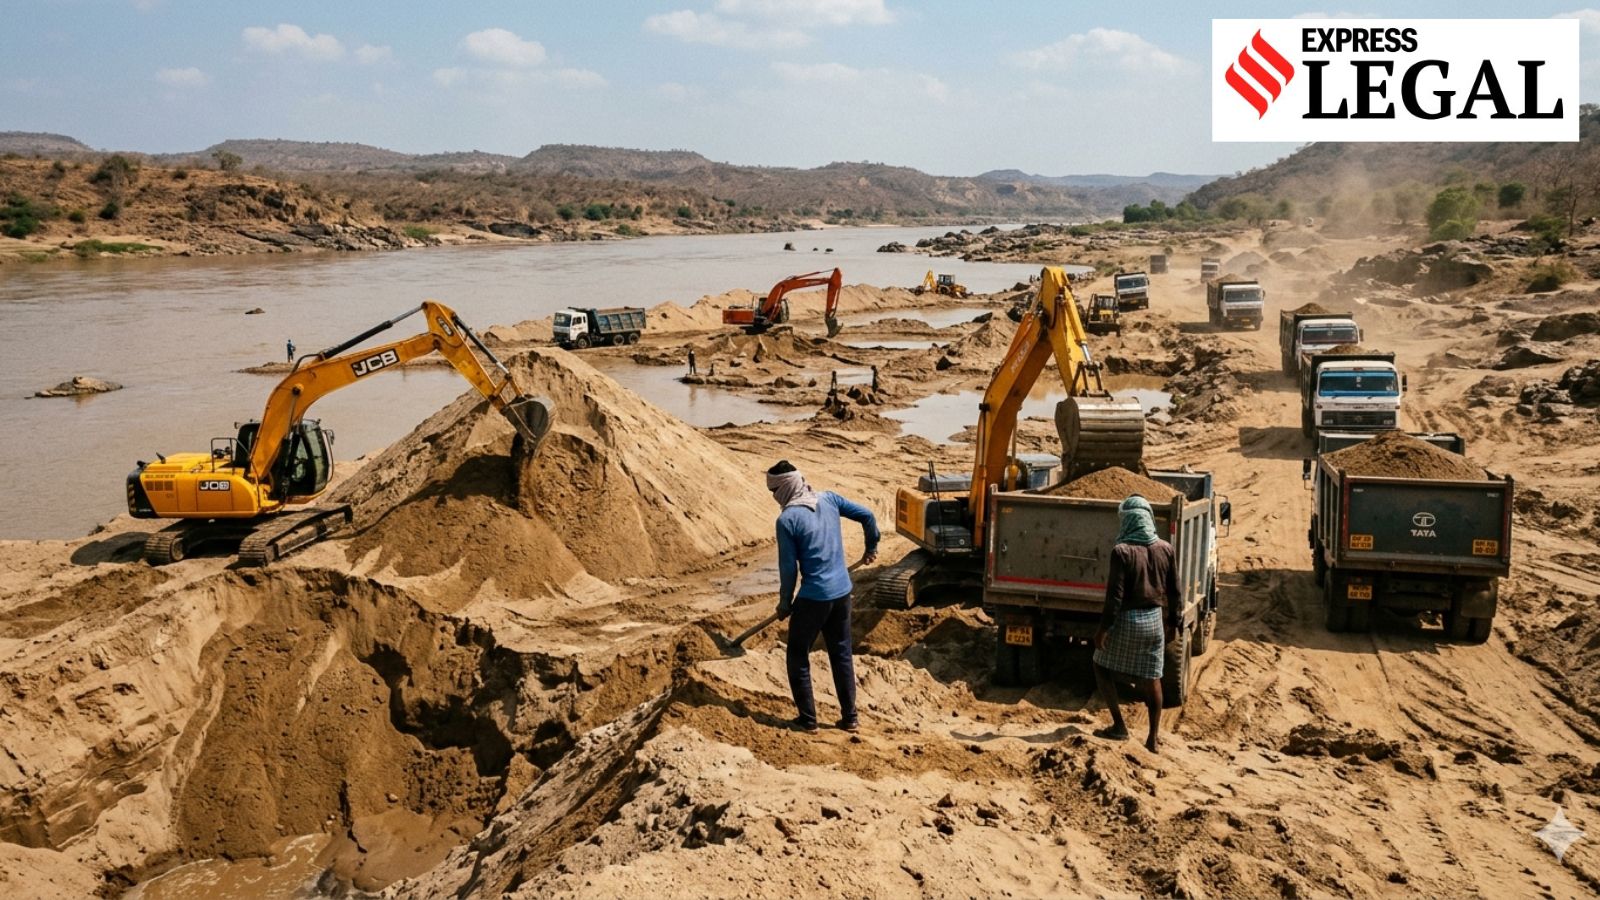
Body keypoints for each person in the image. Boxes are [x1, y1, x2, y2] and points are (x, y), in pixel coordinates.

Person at [767, 460, 878, 733]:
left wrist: (784, 603)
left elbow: (788, 569)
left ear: (785, 487)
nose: (773, 496)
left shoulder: (787, 520)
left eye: (774, 491)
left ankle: (808, 721)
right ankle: (850, 718)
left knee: (797, 654)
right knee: (841, 653)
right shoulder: (829, 499)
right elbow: (868, 516)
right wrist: (871, 546)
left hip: (814, 598)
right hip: (842, 593)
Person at [1091, 494, 1180, 753]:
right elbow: (1175, 591)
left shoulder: (1122, 551)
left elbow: (1115, 597)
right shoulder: (1166, 548)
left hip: (1128, 620)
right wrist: (1173, 623)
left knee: (1101, 666)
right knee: (1152, 678)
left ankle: (1119, 726)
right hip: (1154, 621)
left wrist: (1103, 629)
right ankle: (1153, 738)